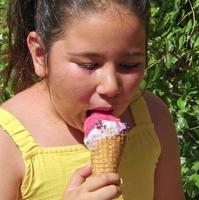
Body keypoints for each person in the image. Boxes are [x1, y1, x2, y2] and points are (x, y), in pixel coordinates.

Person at [0, 0, 185, 199]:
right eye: (89, 65)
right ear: (40, 54)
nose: (111, 86)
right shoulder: (8, 141)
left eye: (129, 65)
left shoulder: (152, 118)